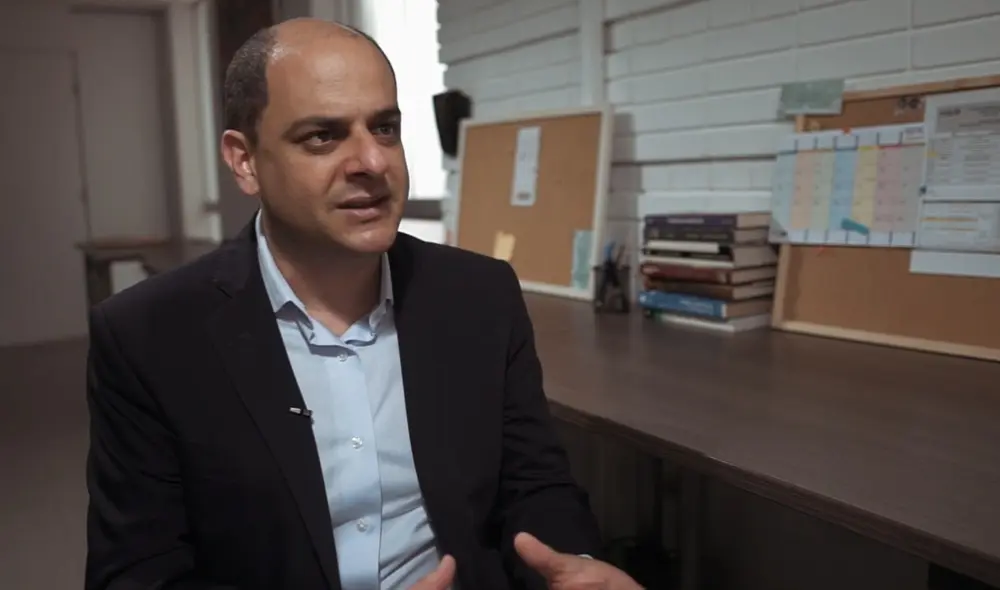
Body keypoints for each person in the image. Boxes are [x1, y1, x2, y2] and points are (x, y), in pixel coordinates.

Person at [84, 17, 642, 590]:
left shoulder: (482, 297)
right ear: (244, 160)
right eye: (322, 136)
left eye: (384, 128)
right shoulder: (147, 338)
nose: (372, 163)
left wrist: (572, 569)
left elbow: (536, 488)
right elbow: (137, 575)